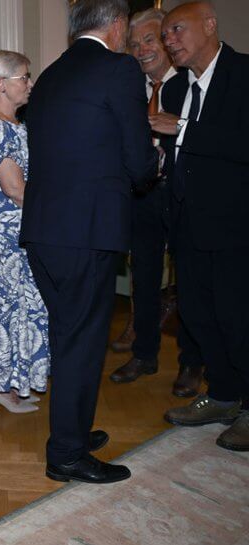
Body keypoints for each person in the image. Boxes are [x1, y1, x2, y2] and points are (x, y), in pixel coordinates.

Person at [20, 0, 157, 484]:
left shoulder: (52, 74)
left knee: (67, 336)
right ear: (117, 27)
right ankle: (67, 454)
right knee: (81, 341)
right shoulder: (117, 69)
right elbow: (138, 158)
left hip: (43, 231)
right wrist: (150, 165)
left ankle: (72, 429)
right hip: (86, 231)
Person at [152, 2, 249, 451]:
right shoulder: (174, 91)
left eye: (177, 29)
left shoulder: (244, 75)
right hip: (187, 226)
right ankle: (225, 394)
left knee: (238, 319)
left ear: (209, 25)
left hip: (235, 226)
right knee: (199, 315)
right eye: (165, 33)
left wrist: (183, 129)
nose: (169, 39)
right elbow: (176, 156)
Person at [109, 7, 204, 397]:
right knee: (144, 278)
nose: (142, 50)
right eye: (134, 45)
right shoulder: (130, 89)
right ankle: (145, 354)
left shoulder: (191, 85)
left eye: (150, 40)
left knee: (190, 282)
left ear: (166, 42)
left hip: (183, 196)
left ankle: (191, 362)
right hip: (143, 196)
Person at [0, 50, 49, 414]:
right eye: (24, 77)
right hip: (6, 237)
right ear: (1, 84)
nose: (30, 83)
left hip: (17, 233)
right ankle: (0, 387)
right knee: (5, 311)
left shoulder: (14, 125)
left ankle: (12, 382)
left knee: (20, 310)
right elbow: (16, 190)